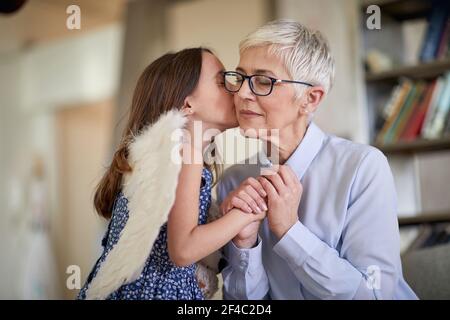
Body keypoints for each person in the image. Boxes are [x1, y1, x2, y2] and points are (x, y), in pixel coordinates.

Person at [218, 20, 418, 300]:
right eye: (239, 78)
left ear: (311, 99)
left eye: (263, 81)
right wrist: (245, 245)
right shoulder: (233, 182)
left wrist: (289, 232)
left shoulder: (363, 168)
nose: (241, 93)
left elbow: (375, 295)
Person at [77, 47, 265, 300]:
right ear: (187, 104)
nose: (235, 89)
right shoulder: (186, 154)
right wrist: (244, 216)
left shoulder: (169, 154)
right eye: (222, 82)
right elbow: (183, 250)